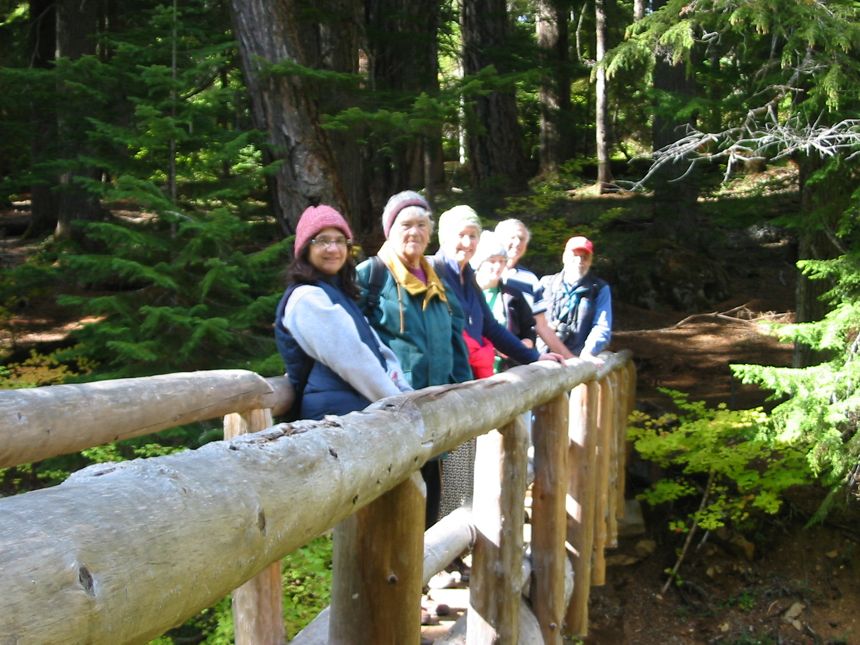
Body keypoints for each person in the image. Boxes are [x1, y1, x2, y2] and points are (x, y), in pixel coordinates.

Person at [434, 205, 563, 517]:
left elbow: (489, 327)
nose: (467, 243)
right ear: (444, 236)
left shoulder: (467, 278)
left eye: (473, 236)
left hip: (468, 382)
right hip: (444, 384)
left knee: (463, 463)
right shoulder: (434, 272)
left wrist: (534, 357)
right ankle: (437, 549)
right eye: (461, 235)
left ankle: (454, 539)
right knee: (443, 469)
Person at [356, 190, 472, 526]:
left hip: (441, 405)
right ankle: (407, 570)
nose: (415, 232)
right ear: (389, 230)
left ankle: (444, 559)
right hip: (397, 409)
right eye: (406, 224)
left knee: (445, 489)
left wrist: (466, 392)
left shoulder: (439, 281)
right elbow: (355, 340)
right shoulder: (371, 276)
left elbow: (457, 342)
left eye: (422, 225)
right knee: (401, 497)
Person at [274, 204, 412, 422]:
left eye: (340, 241)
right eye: (322, 240)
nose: (333, 248)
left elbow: (378, 349)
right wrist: (401, 407)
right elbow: (354, 360)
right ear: (304, 249)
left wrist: (405, 393)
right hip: (333, 418)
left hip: (354, 412)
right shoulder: (307, 299)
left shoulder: (338, 293)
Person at [495, 218, 575, 359]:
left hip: (516, 358)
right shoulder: (481, 272)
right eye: (512, 237)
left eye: (521, 238)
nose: (517, 243)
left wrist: (570, 359)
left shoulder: (529, 279)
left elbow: (541, 326)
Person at [470, 230, 536, 373]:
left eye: (502, 261)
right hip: (472, 371)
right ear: (479, 264)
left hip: (508, 371)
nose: (498, 266)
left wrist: (526, 343)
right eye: (492, 261)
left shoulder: (514, 296)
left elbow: (529, 329)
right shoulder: (467, 295)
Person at [539, 235, 612, 361]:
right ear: (564, 257)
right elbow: (530, 321)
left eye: (585, 257)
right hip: (544, 356)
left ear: (590, 261)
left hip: (578, 358)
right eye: (575, 255)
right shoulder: (546, 284)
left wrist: (588, 352)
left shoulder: (599, 288)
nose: (579, 261)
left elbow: (602, 326)